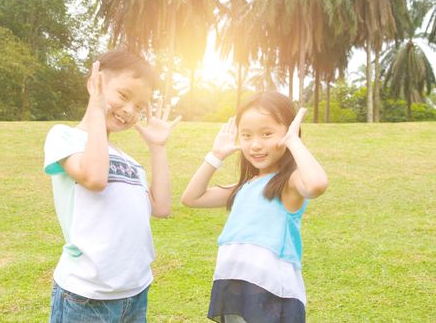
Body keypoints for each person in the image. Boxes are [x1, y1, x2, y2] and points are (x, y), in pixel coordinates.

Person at [44, 50, 181, 323]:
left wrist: (157, 147)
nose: (130, 111)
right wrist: (96, 110)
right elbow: (95, 179)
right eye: (124, 96)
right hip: (87, 295)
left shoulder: (129, 160)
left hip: (134, 291)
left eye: (140, 106)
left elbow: (162, 207)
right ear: (95, 83)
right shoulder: (64, 137)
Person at [181, 91, 328, 323]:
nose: (256, 145)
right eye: (246, 135)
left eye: (267, 134)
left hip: (270, 289)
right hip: (234, 281)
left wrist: (293, 140)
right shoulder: (244, 186)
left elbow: (317, 184)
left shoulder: (288, 183)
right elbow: (191, 198)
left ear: (288, 131)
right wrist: (215, 156)